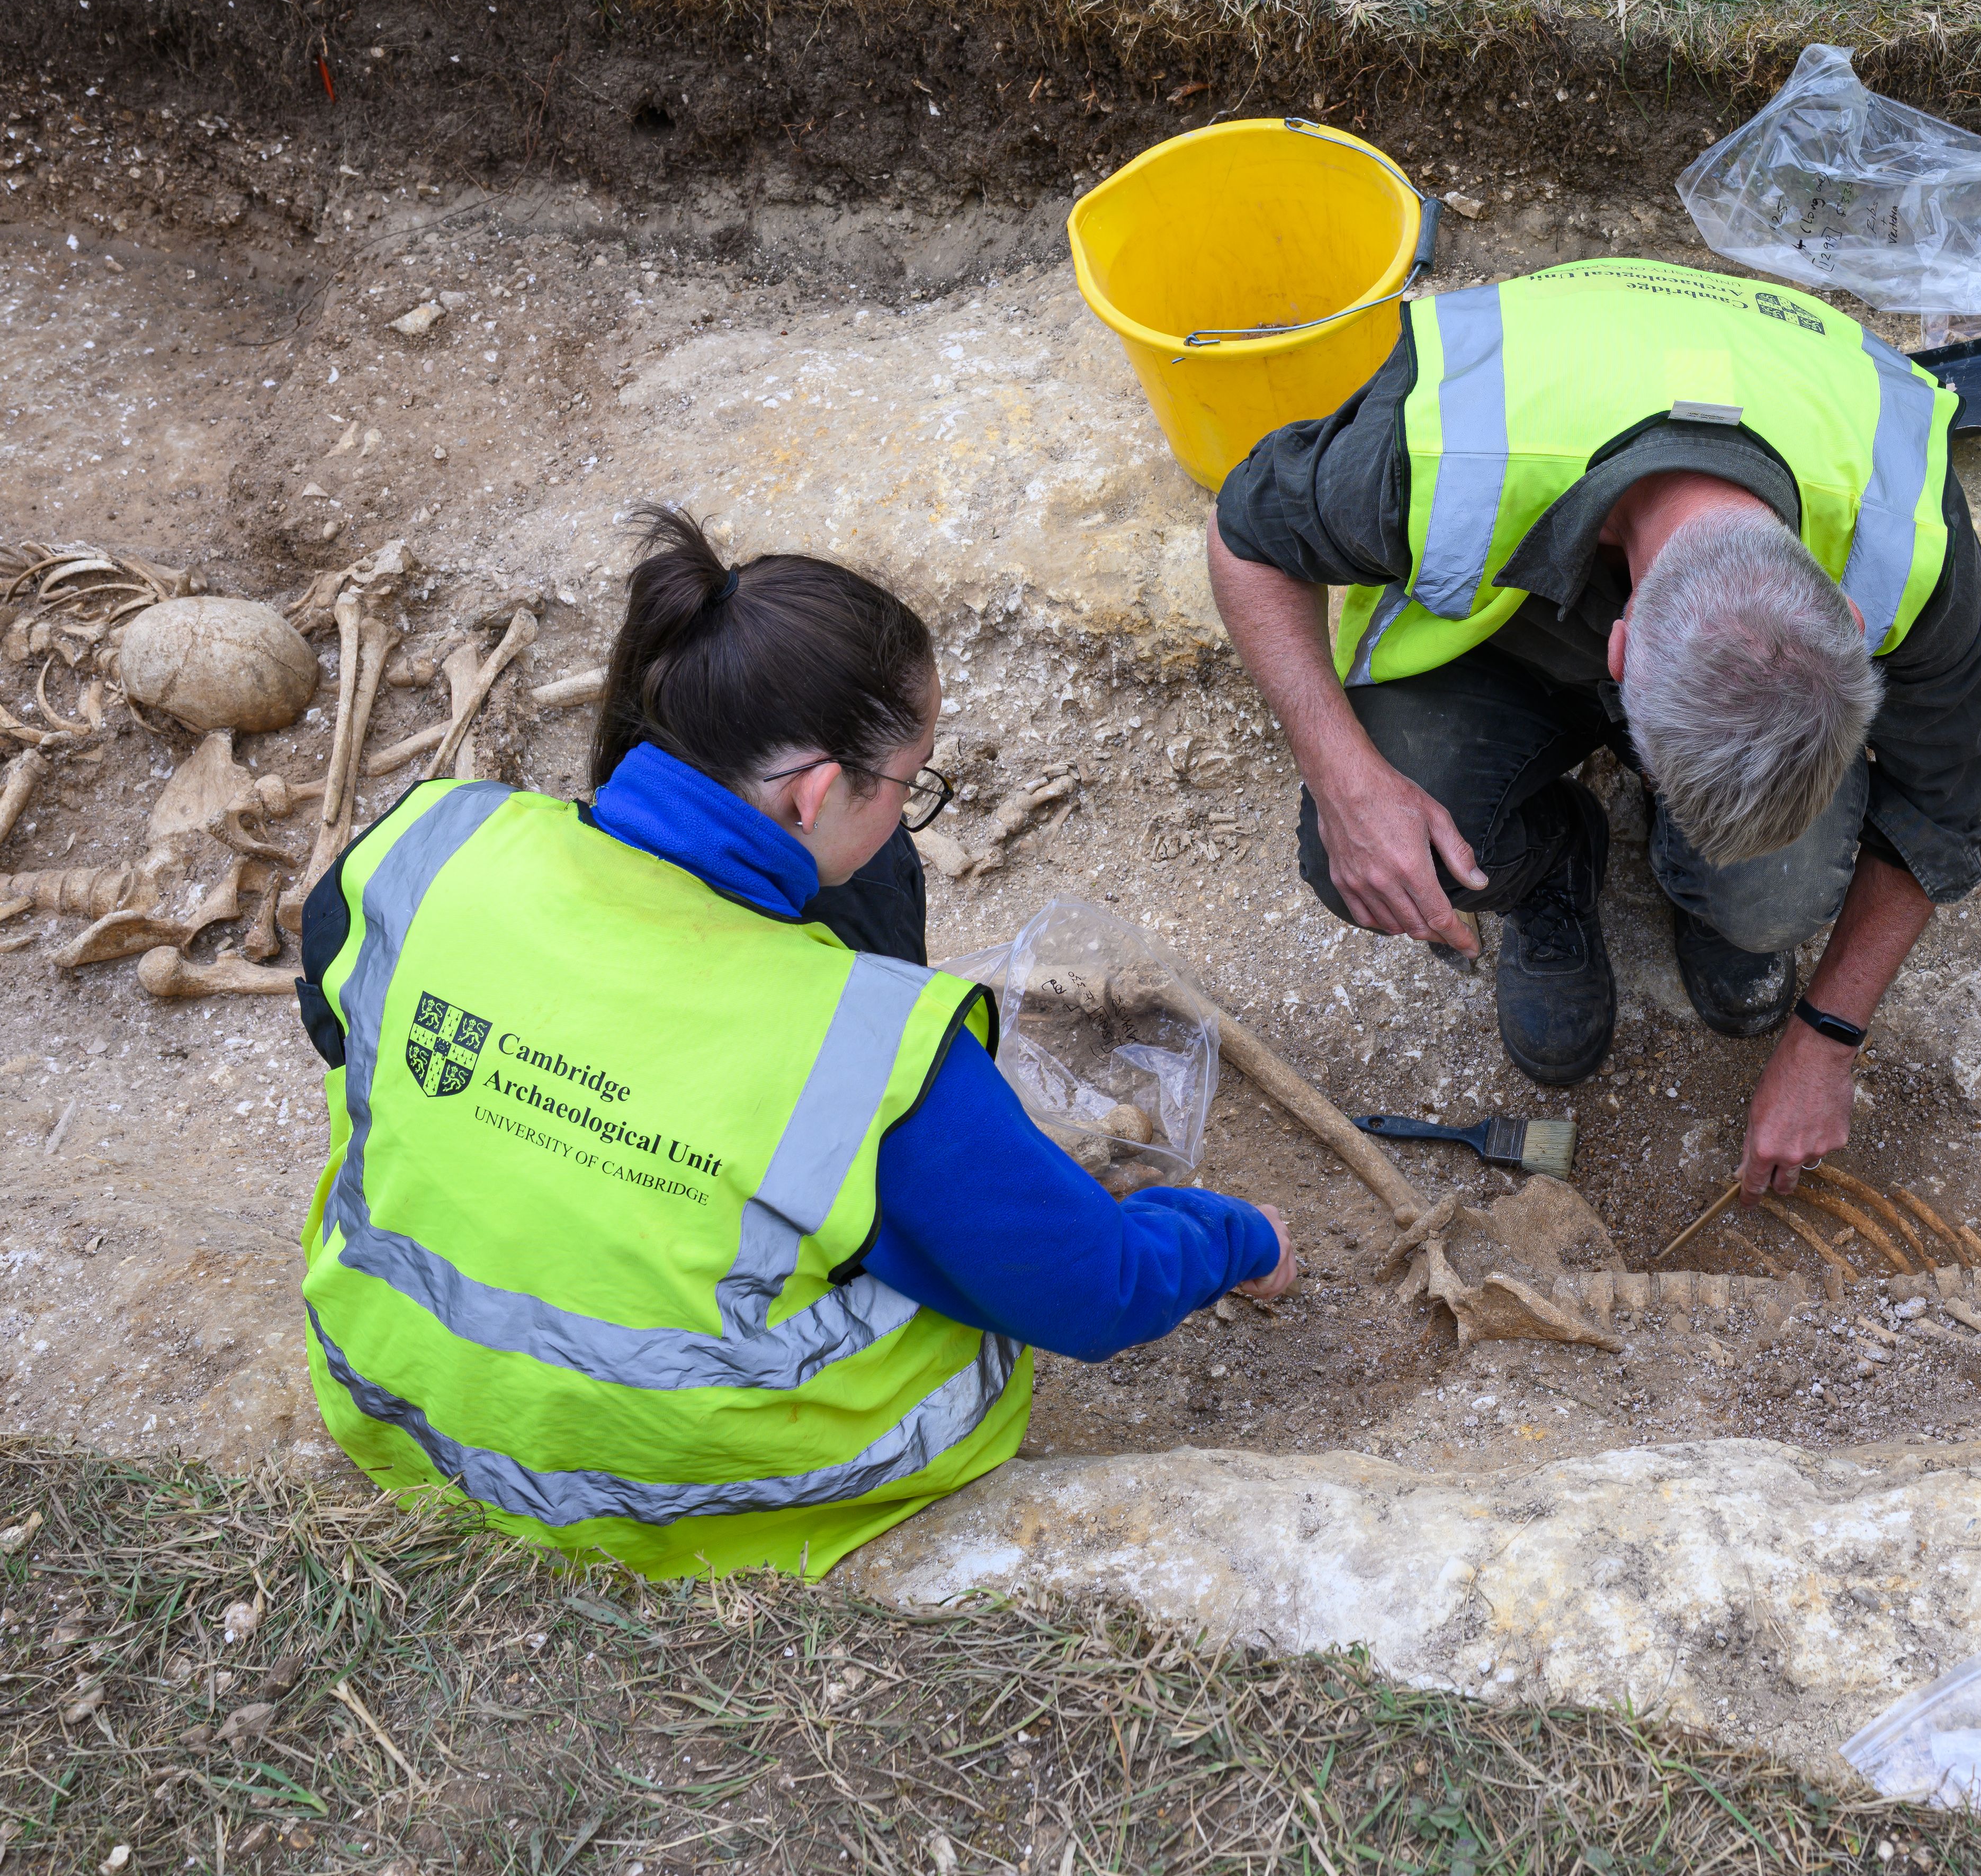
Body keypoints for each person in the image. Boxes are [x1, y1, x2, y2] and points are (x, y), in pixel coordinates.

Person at [294, 508, 1294, 1579]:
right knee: (955, 1264)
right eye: (912, 784)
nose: (909, 813)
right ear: (816, 789)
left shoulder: (433, 840)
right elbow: (1097, 1293)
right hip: (682, 1495)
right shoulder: (868, 1050)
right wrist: (1242, 1239)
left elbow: (338, 1030)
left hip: (401, 1400)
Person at [1209, 257, 1981, 1194]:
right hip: (1495, 652)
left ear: (1848, 616)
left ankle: (1707, 894)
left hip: (1769, 397)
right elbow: (1243, 537)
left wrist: (1830, 1035)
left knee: (1773, 898)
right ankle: (1556, 862)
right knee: (1374, 861)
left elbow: (1942, 805)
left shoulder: (1908, 535)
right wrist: (1347, 781)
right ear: (1617, 651)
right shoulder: (1440, 444)